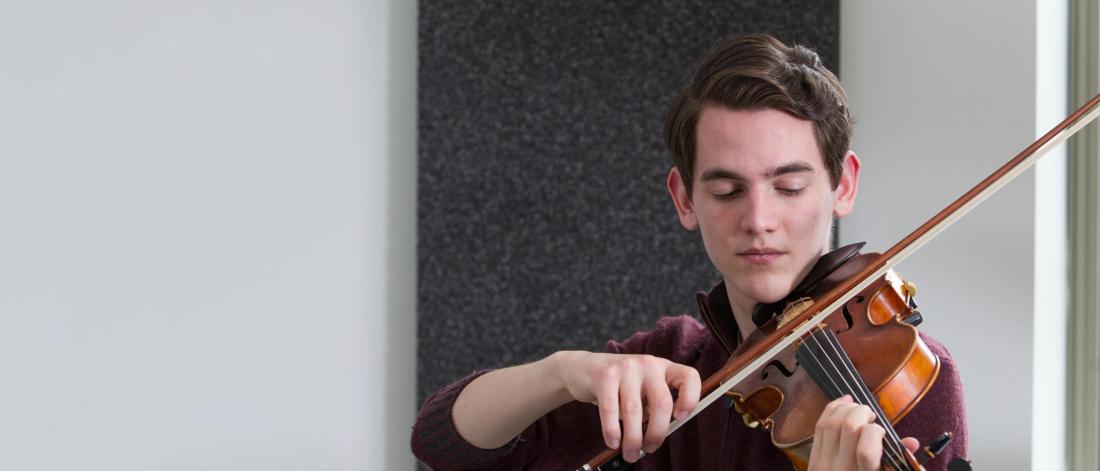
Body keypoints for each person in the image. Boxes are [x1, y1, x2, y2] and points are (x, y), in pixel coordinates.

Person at [411, 34, 968, 471]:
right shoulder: (673, 369)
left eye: (790, 187)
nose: (758, 220)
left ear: (842, 185)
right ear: (684, 198)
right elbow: (442, 443)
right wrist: (561, 372)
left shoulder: (913, 371)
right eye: (726, 191)